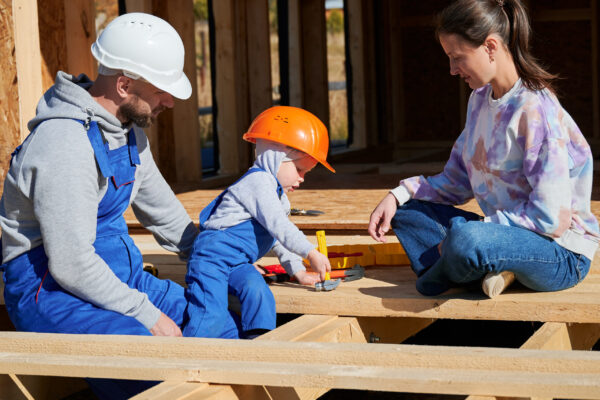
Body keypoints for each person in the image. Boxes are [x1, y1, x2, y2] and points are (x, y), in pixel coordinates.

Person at [0, 13, 199, 398]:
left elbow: (166, 215)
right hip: (52, 291)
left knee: (213, 326)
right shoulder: (64, 143)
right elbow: (71, 263)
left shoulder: (129, 134)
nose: (169, 102)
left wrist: (221, 260)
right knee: (151, 372)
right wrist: (147, 315)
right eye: (161, 91)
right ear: (124, 85)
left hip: (117, 278)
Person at [368, 0, 599, 298]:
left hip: (559, 252)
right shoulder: (478, 101)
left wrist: (476, 232)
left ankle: (453, 270)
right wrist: (397, 195)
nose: (452, 70)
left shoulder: (535, 110)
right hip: (503, 238)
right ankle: (478, 269)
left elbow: (550, 219)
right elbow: (456, 182)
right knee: (407, 213)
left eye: (457, 58)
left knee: (466, 240)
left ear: (490, 47)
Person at [183, 106, 335, 339]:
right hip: (211, 261)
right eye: (299, 169)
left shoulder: (278, 197)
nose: (302, 178)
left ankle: (259, 341)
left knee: (258, 292)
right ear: (276, 157)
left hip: (239, 263)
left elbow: (277, 239)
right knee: (210, 311)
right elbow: (280, 227)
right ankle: (190, 355)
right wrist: (310, 252)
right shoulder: (259, 183)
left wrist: (297, 271)